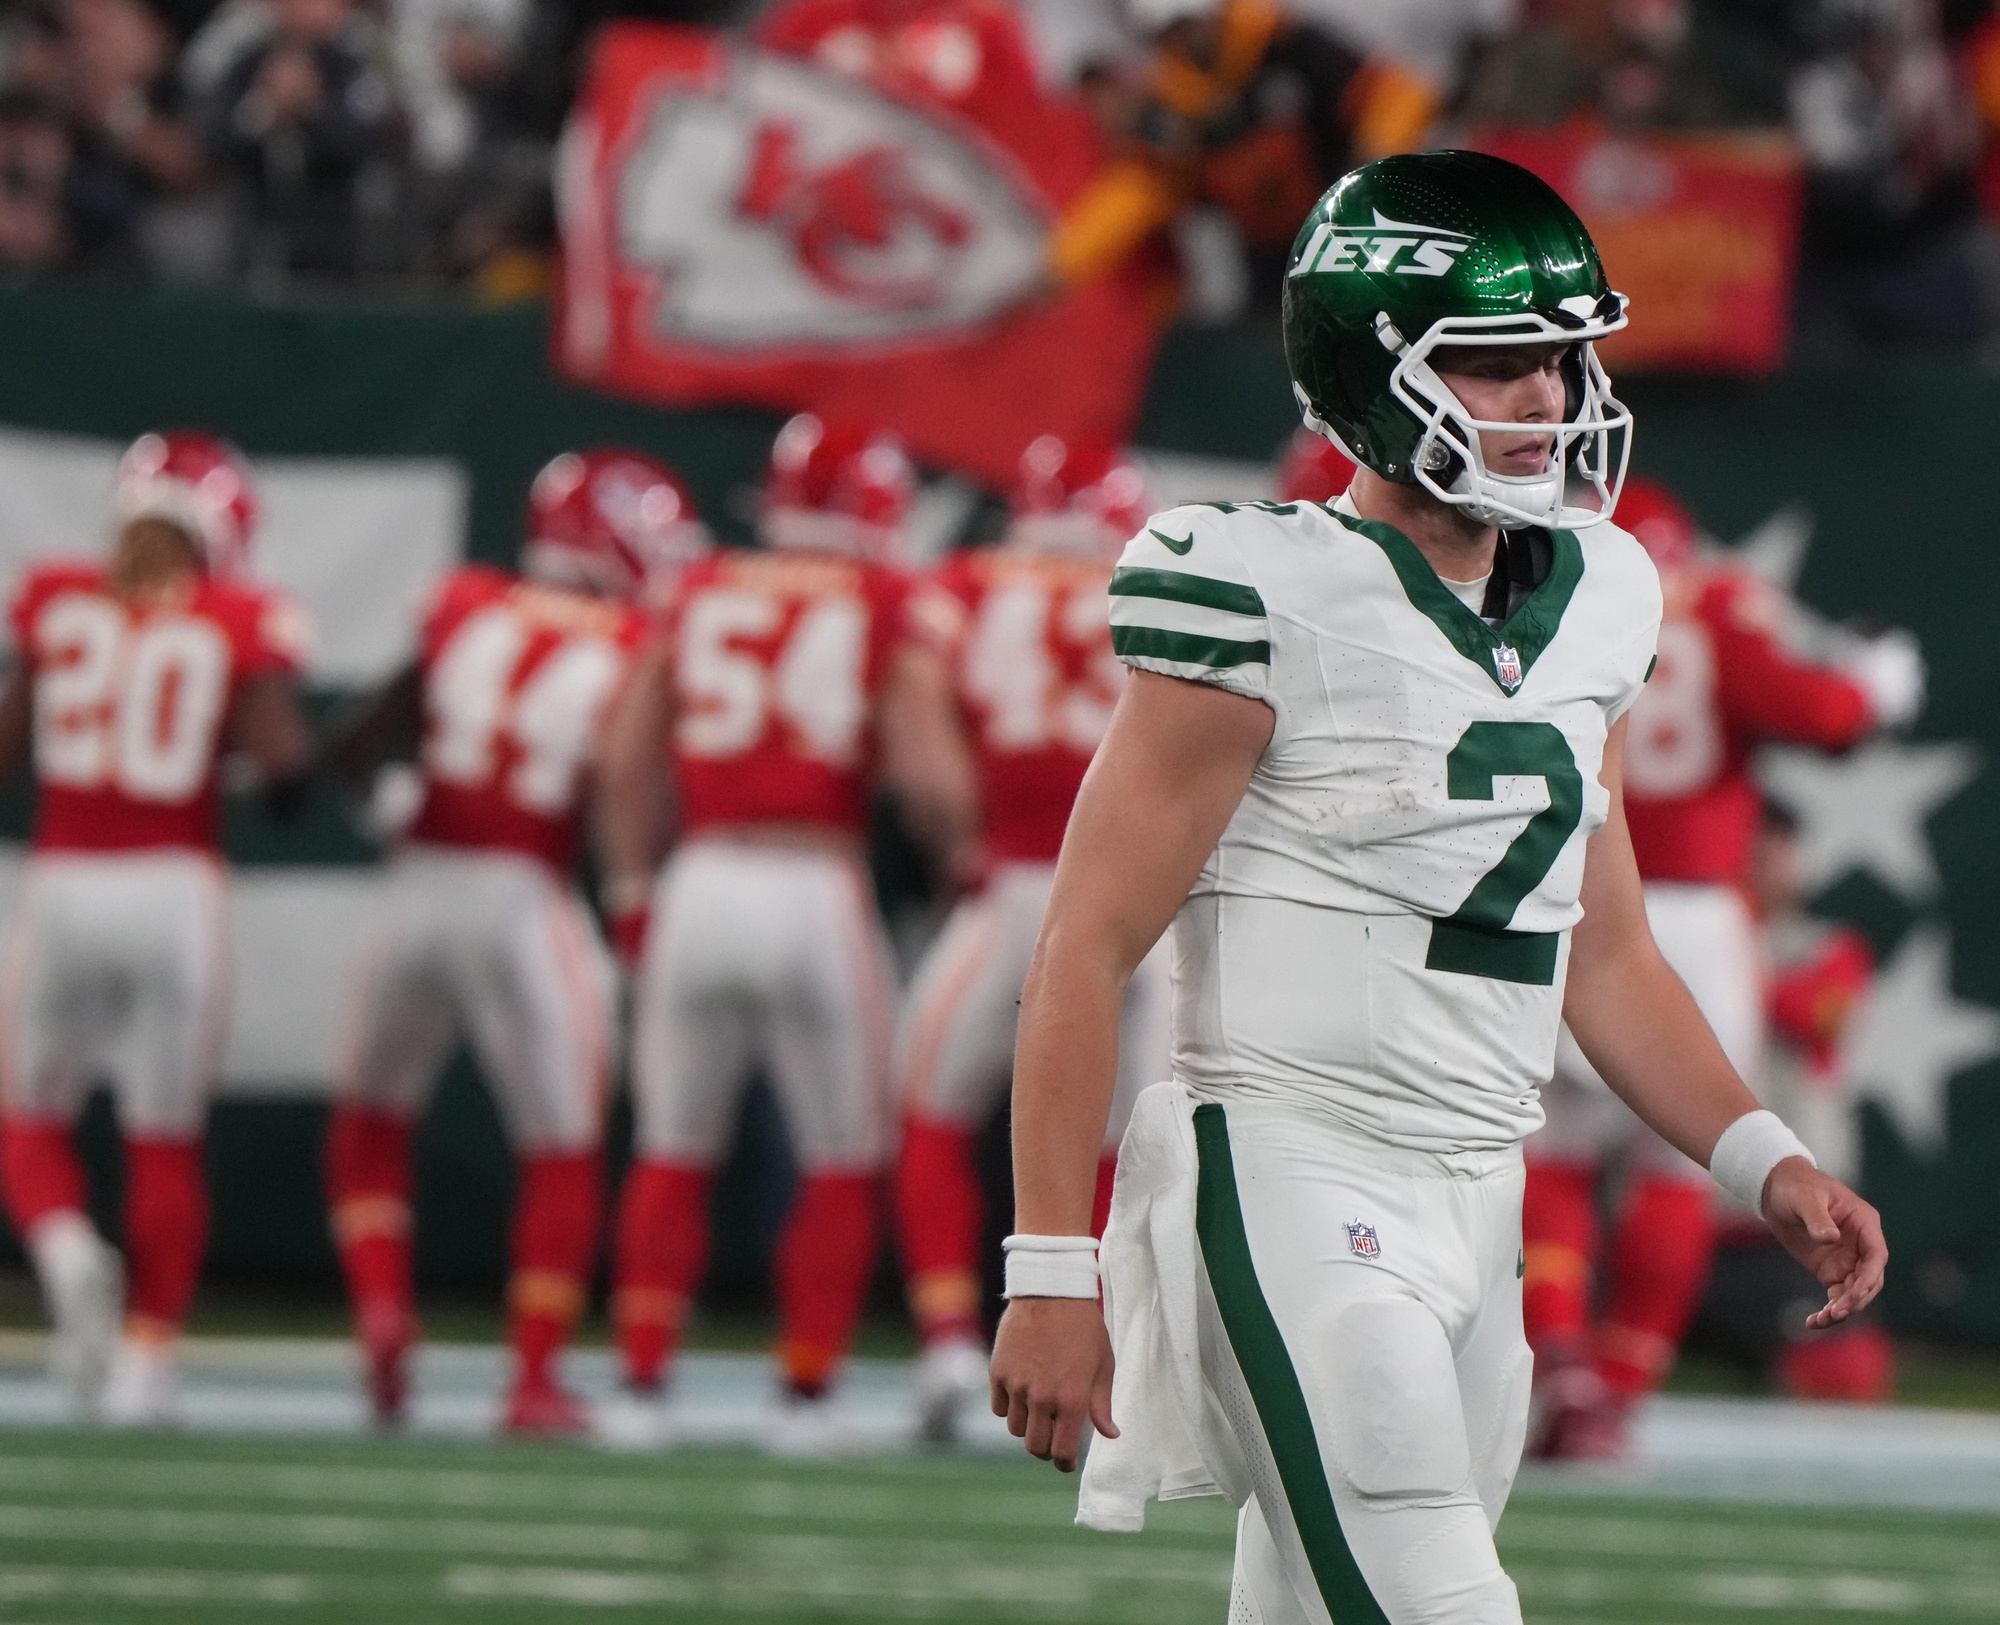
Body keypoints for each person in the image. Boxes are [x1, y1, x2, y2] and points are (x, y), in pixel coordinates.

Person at [989, 150, 1886, 1624]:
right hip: (1292, 1168)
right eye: (1494, 360)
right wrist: (1048, 1262)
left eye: (1562, 354)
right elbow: (1085, 945)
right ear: (1369, 367)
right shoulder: (1262, 586)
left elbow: (1605, 957)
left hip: (1482, 1200)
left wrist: (1760, 1156)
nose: (1548, 396)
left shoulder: (1600, 595)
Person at [601, 414, 978, 1453]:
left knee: (672, 1149)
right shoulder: (883, 596)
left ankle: (639, 1386)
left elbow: (625, 752)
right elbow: (929, 773)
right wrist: (958, 864)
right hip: (815, 886)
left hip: (700, 882)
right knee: (838, 1154)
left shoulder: (696, 584)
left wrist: (632, 888)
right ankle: (803, 1393)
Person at [1524, 477, 1921, 1458]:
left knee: (1553, 1157)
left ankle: (1564, 1362)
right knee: (1675, 1165)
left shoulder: (1532, 596)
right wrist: (1873, 686)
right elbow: (1823, 714)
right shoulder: (1710, 607)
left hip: (1575, 884)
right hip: (1696, 912)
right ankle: (1616, 1384)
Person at [322, 447, 706, 1436]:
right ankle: (532, 1373)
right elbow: (636, 782)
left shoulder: (465, 602)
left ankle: (381, 1302)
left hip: (419, 884)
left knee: (370, 1120)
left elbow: (358, 742)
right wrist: (634, 896)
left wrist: (391, 803)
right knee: (564, 1143)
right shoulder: (636, 632)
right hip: (526, 896)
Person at [0, 430, 313, 1424]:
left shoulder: (61, 599)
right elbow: (289, 770)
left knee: (25, 1114)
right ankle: (147, 1364)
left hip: (66, 879)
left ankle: (61, 1247)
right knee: (165, 1137)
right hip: (174, 888)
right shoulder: (231, 618)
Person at [894, 434, 1169, 1443]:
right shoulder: (1160, 579)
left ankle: (944, 1344)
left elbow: (914, 703)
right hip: (1153, 889)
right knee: (1132, 1138)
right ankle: (1115, 1350)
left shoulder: (965, 581)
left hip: (1014, 880)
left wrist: (959, 837)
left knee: (928, 1107)